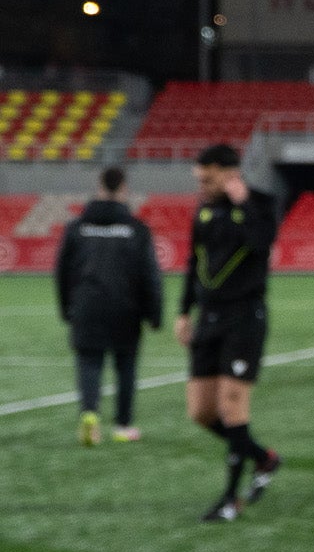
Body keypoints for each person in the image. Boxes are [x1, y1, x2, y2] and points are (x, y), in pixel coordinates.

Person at [178, 144, 283, 521]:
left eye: (207, 179)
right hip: (208, 318)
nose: (202, 185)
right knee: (201, 412)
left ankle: (229, 500)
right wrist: (182, 311)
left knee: (232, 405)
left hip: (245, 317)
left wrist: (244, 205)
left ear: (229, 173)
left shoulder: (262, 203)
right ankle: (263, 458)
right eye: (199, 179)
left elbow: (262, 244)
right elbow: (194, 261)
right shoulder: (203, 210)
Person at [55, 165, 162, 445]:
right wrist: (155, 313)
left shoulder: (77, 228)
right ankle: (122, 426)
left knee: (89, 361)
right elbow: (149, 274)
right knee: (125, 365)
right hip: (126, 308)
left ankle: (90, 415)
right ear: (124, 189)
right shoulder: (137, 230)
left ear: (99, 186)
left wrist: (67, 307)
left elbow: (62, 272)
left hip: (87, 305)